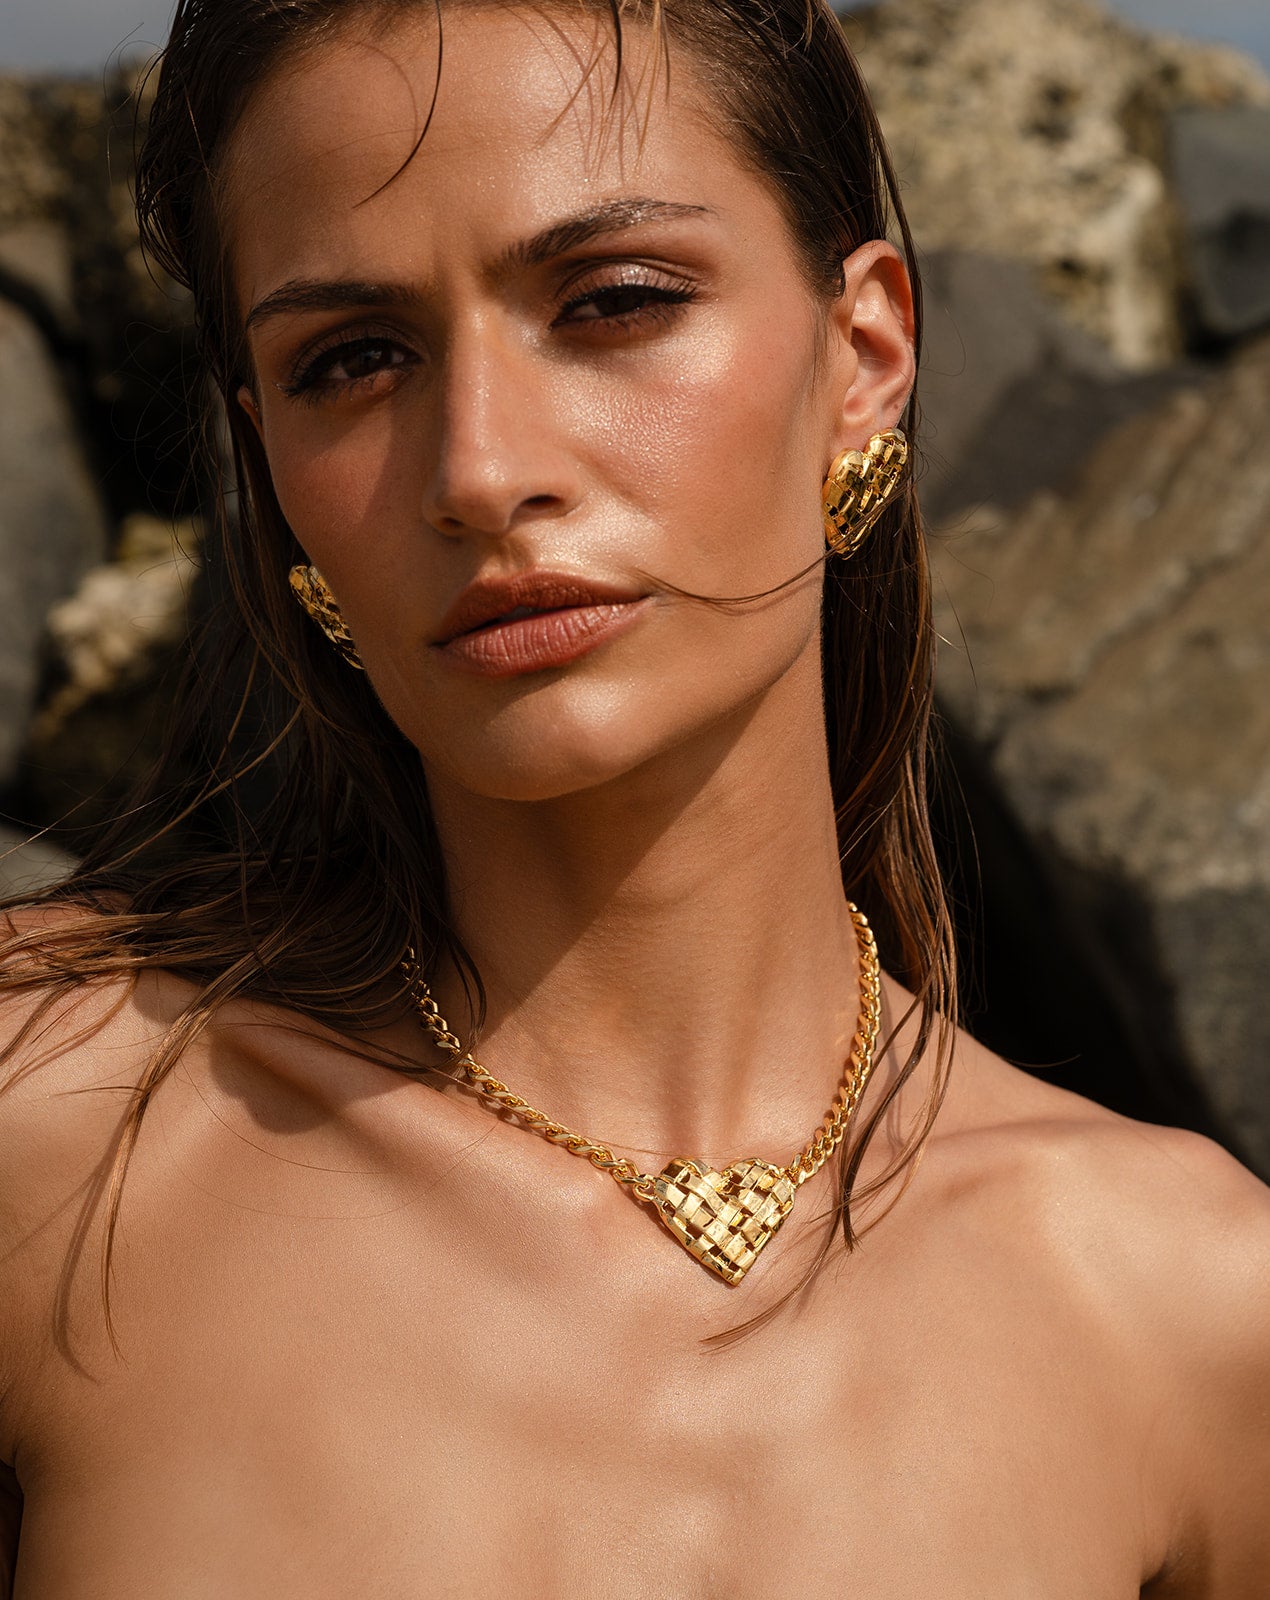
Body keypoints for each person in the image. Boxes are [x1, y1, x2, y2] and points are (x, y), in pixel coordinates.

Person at [1, 0, 1268, 1591]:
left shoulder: (1188, 1308)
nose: (477, 466)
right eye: (353, 357)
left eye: (611, 301)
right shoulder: (56, 1131)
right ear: (268, 471)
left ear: (863, 356)